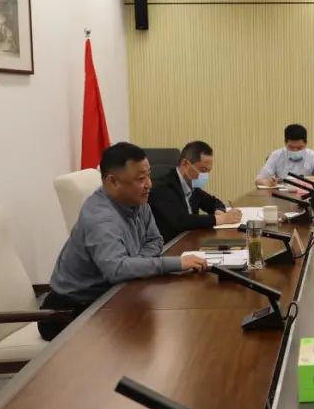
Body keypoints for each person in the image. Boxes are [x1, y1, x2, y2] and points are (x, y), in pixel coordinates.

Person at [39, 143, 207, 340]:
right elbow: (117, 269)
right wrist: (177, 263)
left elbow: (155, 239)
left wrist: (136, 263)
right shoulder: (101, 218)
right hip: (70, 310)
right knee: (149, 336)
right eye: (140, 179)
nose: (149, 184)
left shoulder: (138, 200)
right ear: (113, 181)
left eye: (149, 175)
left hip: (112, 295)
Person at [149, 141, 242, 242]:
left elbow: (213, 202)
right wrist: (221, 219)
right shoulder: (162, 187)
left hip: (191, 240)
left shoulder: (192, 187)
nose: (205, 176)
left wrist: (219, 211)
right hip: (170, 245)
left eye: (208, 172)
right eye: (203, 170)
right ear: (185, 164)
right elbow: (180, 220)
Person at [256, 123, 314, 188]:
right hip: (282, 196)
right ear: (285, 143)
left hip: (306, 195)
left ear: (306, 143)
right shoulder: (276, 155)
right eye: (291, 147)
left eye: (299, 148)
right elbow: (258, 180)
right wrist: (269, 183)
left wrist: (300, 179)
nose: (295, 151)